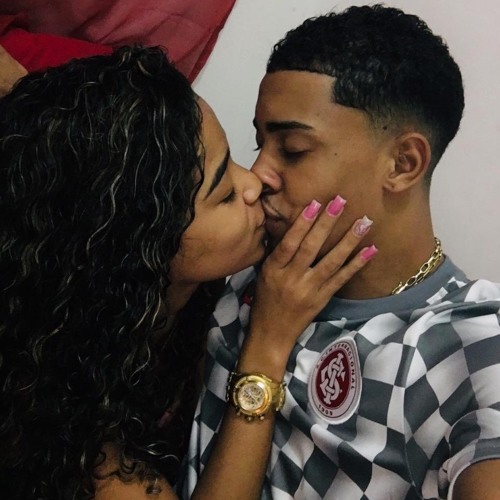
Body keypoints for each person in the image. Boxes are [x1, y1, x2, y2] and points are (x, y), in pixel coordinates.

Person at [0, 45, 375, 499]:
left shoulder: (191, 298)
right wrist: (266, 348)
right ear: (142, 247)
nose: (254, 182)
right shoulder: (59, 409)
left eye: (235, 159)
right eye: (224, 193)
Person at [182, 5, 500, 499]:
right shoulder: (242, 278)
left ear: (403, 163)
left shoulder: (474, 342)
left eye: (292, 149)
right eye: (260, 142)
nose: (258, 174)